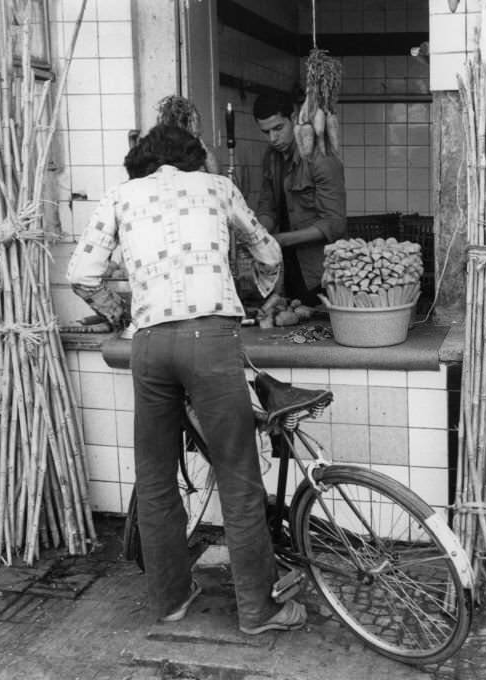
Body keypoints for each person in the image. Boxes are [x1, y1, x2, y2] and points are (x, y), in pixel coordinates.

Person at [66, 124, 306, 634]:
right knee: (239, 477)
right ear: (194, 157)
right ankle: (258, 611)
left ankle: (170, 601)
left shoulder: (120, 196)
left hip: (149, 346)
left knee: (154, 478)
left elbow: (82, 272)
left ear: (142, 160)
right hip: (211, 341)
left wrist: (116, 311)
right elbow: (268, 252)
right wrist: (264, 299)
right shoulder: (218, 188)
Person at [253, 91, 346, 308]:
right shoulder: (271, 157)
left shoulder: (321, 158)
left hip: (319, 270)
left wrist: (280, 240)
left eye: (278, 128)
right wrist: (257, 234)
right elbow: (267, 207)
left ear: (293, 119)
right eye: (266, 132)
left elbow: (334, 224)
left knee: (317, 331)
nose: (273, 139)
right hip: (284, 268)